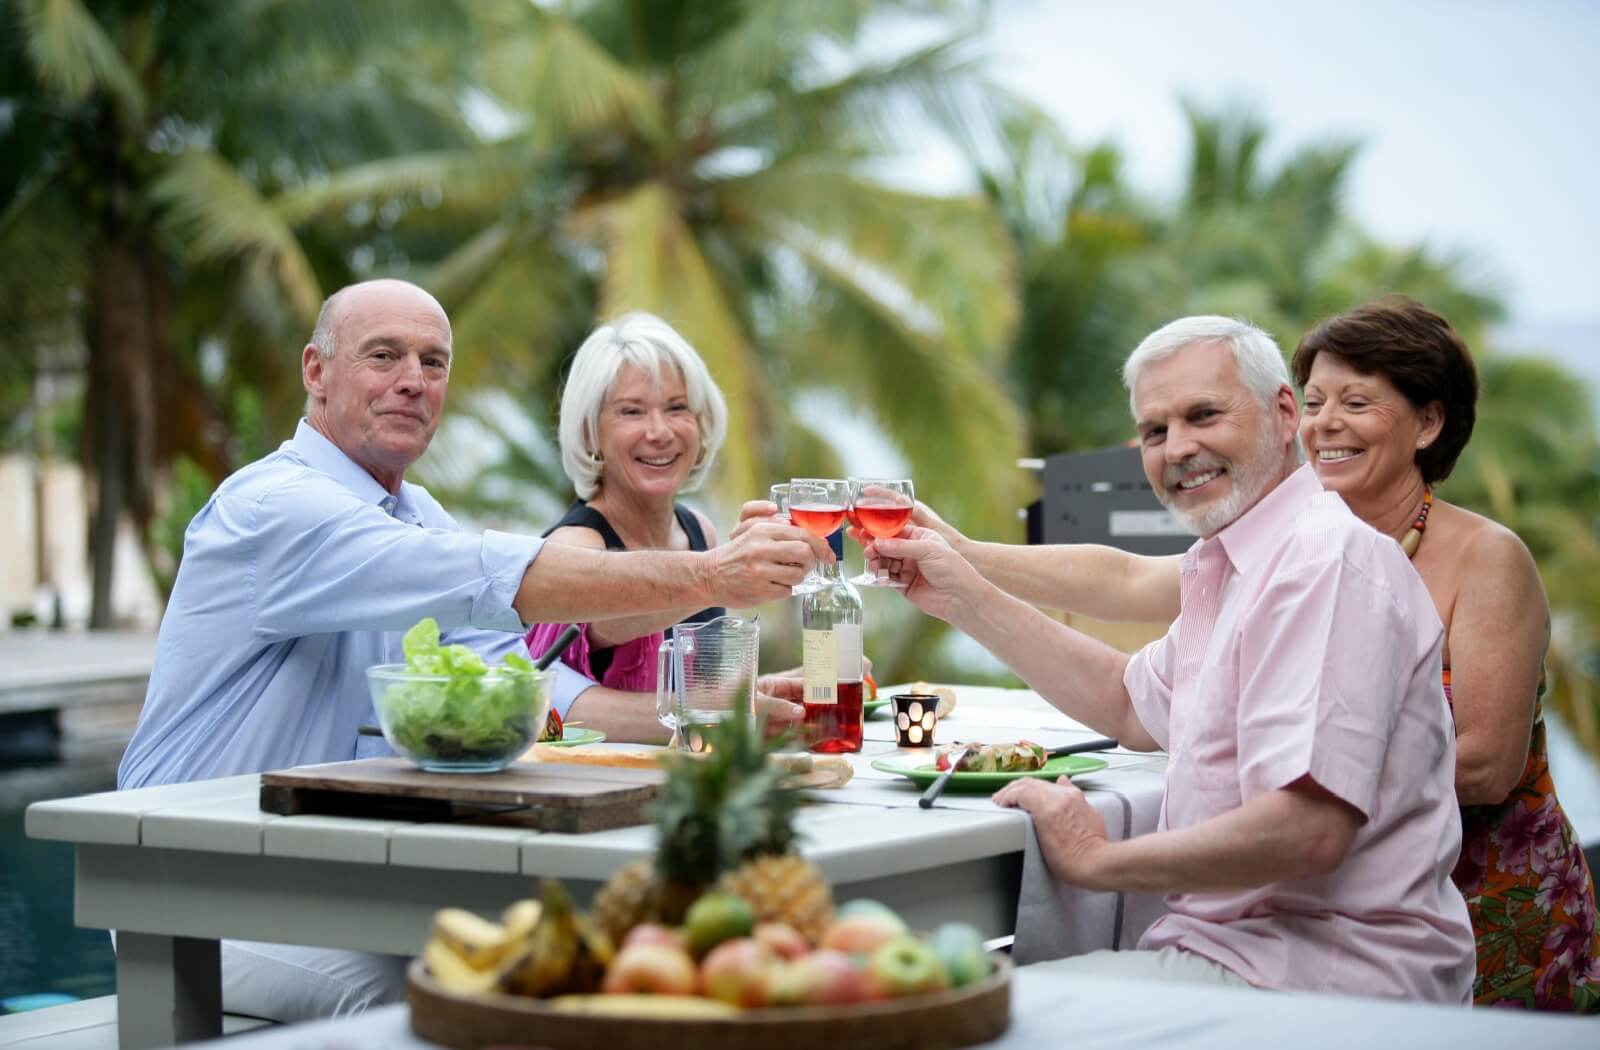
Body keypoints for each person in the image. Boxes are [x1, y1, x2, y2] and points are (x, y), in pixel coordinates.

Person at [116, 279, 829, 1022]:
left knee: (559, 958)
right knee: (440, 994)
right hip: (198, 877)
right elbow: (489, 578)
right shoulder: (277, 508)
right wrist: (718, 576)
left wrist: (728, 704)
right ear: (315, 372)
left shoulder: (414, 513)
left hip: (325, 872)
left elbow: (527, 680)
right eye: (383, 356)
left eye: (432, 362)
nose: (412, 382)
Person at [907, 297, 1600, 1010]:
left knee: (978, 1009)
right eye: (1154, 429)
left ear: (1279, 417)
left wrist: (1101, 859)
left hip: (1340, 960)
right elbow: (1128, 696)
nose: (1176, 446)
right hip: (1257, 940)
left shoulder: (1339, 560)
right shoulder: (1241, 559)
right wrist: (960, 586)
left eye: (1204, 416)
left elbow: (1320, 823)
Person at [525, 314, 804, 741]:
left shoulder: (700, 532)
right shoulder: (574, 545)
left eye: (676, 408)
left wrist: (766, 692)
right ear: (590, 432)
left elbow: (698, 694)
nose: (659, 432)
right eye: (631, 412)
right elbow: (546, 705)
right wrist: (722, 577)